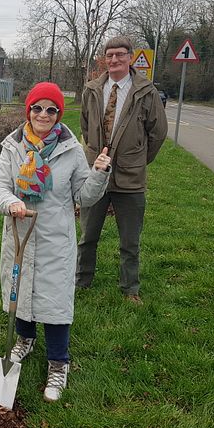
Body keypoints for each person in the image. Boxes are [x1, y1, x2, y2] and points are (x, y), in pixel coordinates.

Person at [0, 82, 111, 402]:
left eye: (51, 109)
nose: (43, 114)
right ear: (28, 110)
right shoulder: (12, 147)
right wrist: (10, 203)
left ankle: (58, 363)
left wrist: (98, 173)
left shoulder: (70, 150)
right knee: (20, 290)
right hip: (20, 233)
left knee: (55, 301)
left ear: (59, 115)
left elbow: (84, 196)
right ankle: (25, 339)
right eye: (37, 108)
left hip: (55, 237)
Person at [76, 36, 168, 304]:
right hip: (96, 175)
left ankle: (130, 289)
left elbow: (158, 133)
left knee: (130, 240)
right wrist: (95, 155)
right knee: (87, 235)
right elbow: (85, 126)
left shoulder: (145, 91)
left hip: (130, 179)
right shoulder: (92, 90)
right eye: (110, 55)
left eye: (120, 55)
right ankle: (82, 281)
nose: (114, 60)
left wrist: (136, 159)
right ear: (104, 59)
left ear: (130, 57)